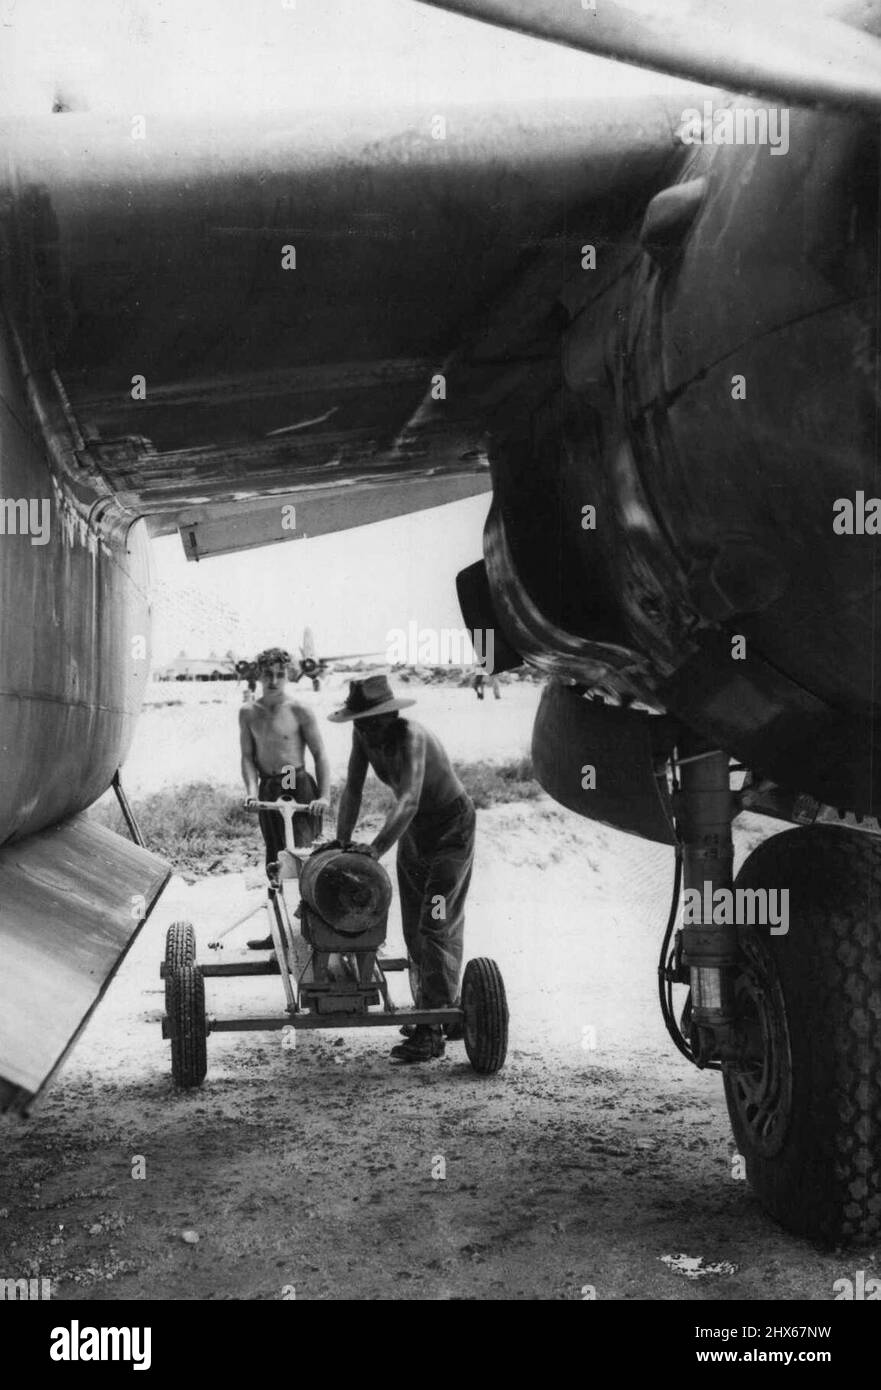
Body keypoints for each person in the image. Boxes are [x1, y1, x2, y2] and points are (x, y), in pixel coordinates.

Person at [329, 674, 476, 1063]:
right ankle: (441, 1010)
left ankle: (430, 1032)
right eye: (360, 723)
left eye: (374, 722)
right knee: (413, 925)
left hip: (450, 831)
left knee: (436, 918)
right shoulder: (363, 736)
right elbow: (353, 789)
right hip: (414, 834)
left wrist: (375, 848)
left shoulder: (412, 736)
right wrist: (341, 843)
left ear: (391, 715)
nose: (367, 730)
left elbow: (408, 800)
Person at [240, 647, 331, 948]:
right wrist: (252, 793)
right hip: (269, 787)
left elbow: (319, 755)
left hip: (298, 783)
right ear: (259, 675)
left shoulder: (299, 710)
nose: (274, 680)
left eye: (280, 674)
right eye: (268, 674)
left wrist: (325, 796)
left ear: (289, 675)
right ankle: (278, 933)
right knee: (274, 859)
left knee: (304, 858)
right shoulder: (249, 712)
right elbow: (248, 758)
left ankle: (315, 933)